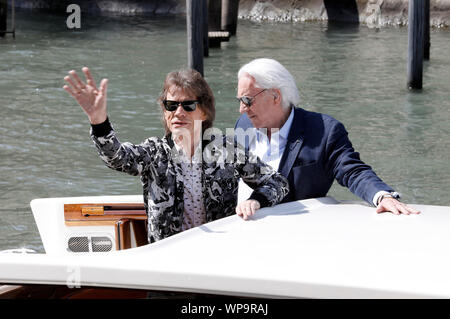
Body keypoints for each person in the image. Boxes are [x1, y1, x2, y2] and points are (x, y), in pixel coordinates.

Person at [63, 67, 289, 243]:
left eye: (188, 105)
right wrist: (98, 121)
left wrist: (256, 201)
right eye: (171, 105)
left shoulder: (227, 150)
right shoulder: (154, 152)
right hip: (166, 264)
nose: (178, 112)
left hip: (218, 258)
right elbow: (117, 157)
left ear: (204, 110)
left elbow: (277, 182)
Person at [235, 58, 420, 215]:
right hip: (240, 228)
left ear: (275, 96)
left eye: (247, 100)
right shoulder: (243, 126)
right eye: (240, 101)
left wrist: (382, 195)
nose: (242, 109)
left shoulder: (324, 131)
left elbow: (352, 171)